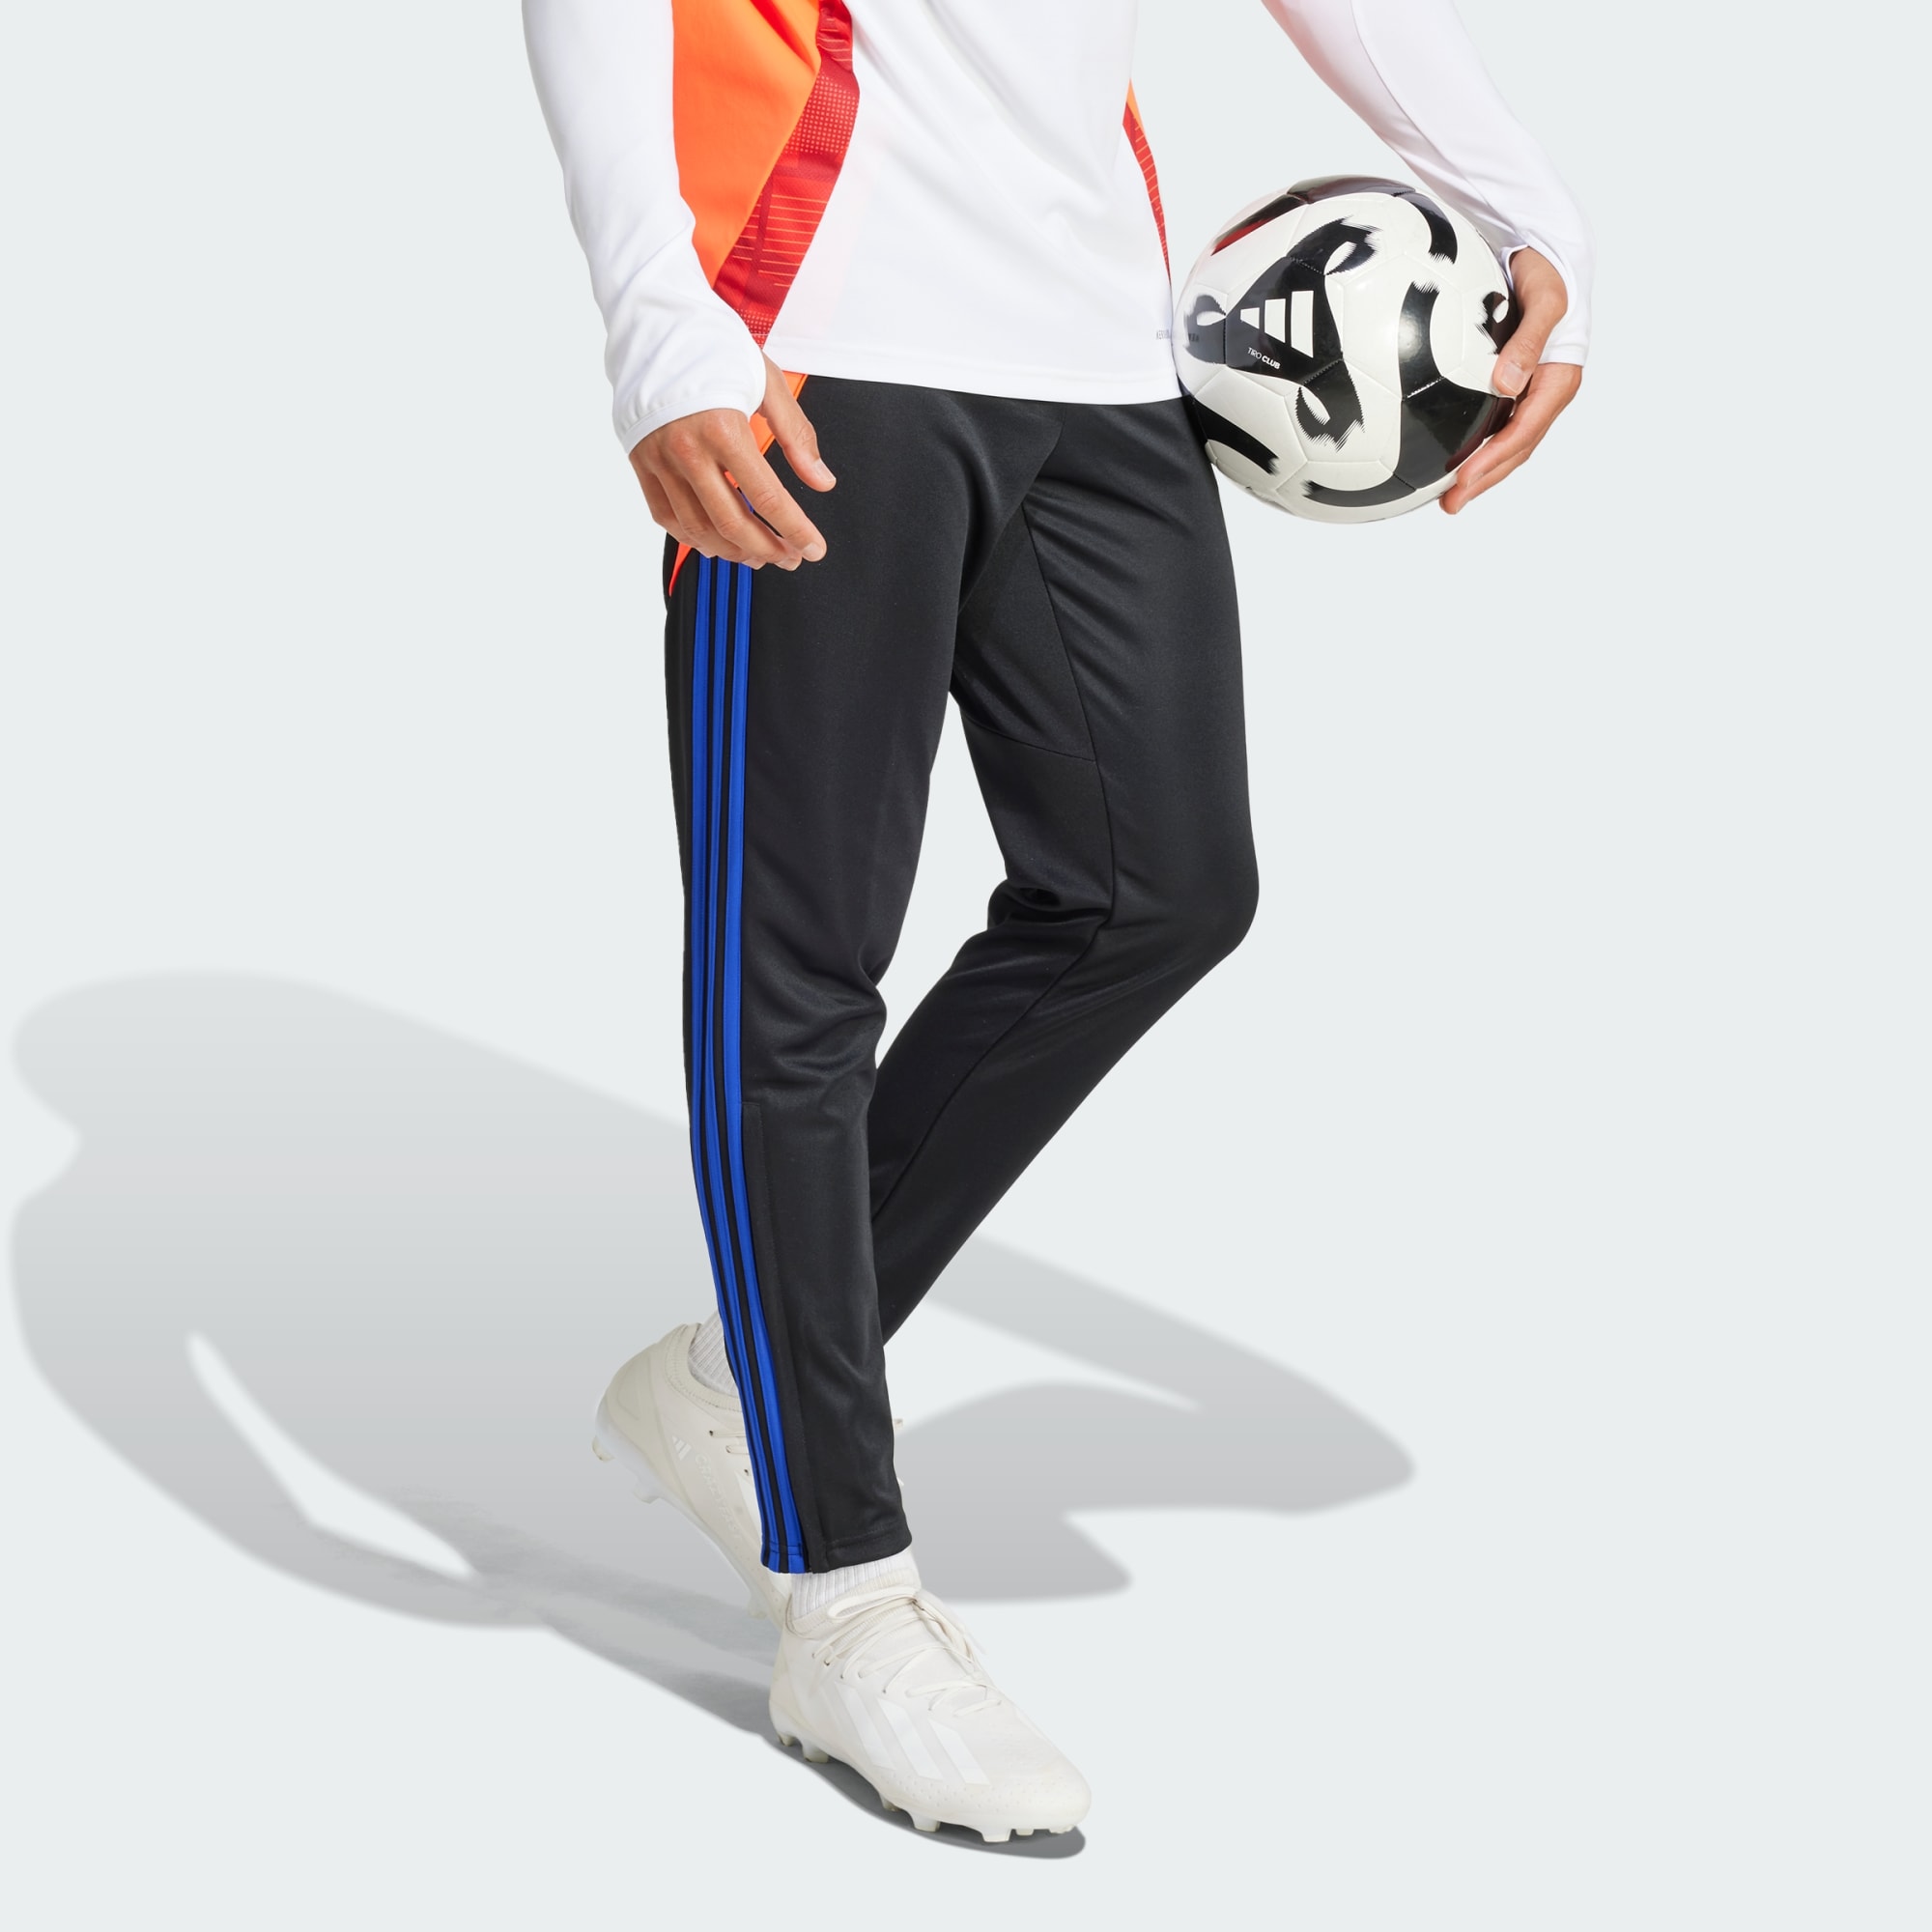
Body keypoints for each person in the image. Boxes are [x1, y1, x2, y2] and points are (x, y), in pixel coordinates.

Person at [526, 0, 1590, 1842]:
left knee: (1155, 889)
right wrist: (657, 316)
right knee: (795, 978)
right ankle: (843, 1603)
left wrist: (1521, 209)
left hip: (1104, 347)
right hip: (817, 341)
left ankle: (730, 1383)